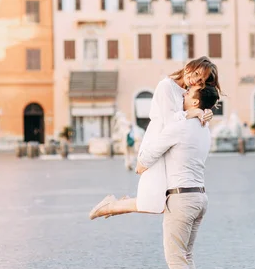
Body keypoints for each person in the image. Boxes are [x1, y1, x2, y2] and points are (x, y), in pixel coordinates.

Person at [89, 57, 221, 219]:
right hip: (159, 140)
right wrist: (192, 112)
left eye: (201, 81)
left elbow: (192, 110)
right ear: (188, 67)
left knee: (161, 202)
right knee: (156, 203)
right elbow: (169, 122)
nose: (195, 81)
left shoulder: (189, 92)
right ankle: (112, 206)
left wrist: (204, 110)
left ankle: (115, 205)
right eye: (196, 74)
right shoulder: (165, 86)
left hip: (173, 146)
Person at [136, 84, 220, 269]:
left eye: (188, 94)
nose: (183, 95)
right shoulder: (205, 129)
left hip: (181, 198)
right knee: (187, 256)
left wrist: (140, 167)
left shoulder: (180, 126)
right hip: (199, 196)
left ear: (196, 103)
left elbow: (150, 152)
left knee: (176, 259)